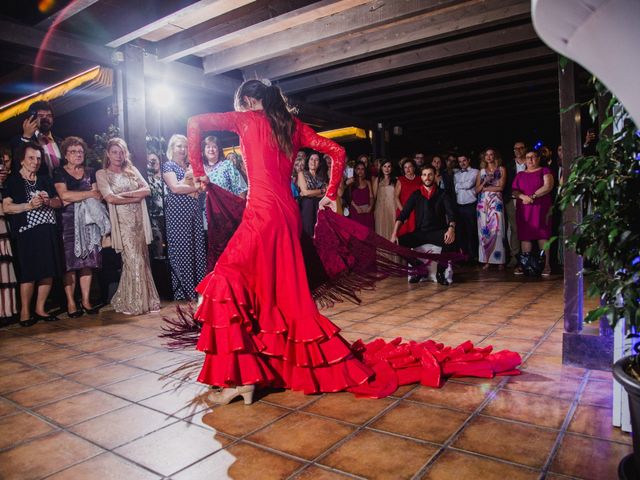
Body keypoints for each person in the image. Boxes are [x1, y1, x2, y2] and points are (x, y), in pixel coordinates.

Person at [96, 138, 161, 314]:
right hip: (123, 223)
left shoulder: (132, 170)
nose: (118, 155)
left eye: (121, 152)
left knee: (142, 258)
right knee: (133, 259)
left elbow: (147, 190)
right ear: (108, 154)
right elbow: (110, 198)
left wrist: (126, 195)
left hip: (139, 221)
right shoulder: (102, 174)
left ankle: (139, 299)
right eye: (115, 152)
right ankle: (135, 303)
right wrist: (135, 197)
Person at [3, 143, 63, 326]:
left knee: (48, 270)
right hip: (26, 232)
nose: (35, 162)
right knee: (29, 272)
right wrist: (28, 206)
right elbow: (6, 207)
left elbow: (59, 202)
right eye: (31, 158)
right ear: (21, 159)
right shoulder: (13, 181)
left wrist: (48, 201)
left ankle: (40, 308)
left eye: (38, 158)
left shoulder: (44, 179)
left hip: (48, 229)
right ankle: (25, 313)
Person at [53, 137, 106, 317]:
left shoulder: (91, 171)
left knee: (87, 261)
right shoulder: (59, 172)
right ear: (66, 155)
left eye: (80, 152)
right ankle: (70, 302)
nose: (78, 155)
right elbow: (64, 196)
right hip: (67, 221)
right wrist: (88, 194)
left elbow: (97, 195)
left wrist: (82, 195)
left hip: (88, 221)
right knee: (70, 263)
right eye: (73, 152)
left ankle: (85, 300)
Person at [390, 165, 457, 285]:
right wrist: (395, 233)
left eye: (430, 174)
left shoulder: (443, 194)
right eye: (425, 175)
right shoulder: (416, 194)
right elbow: (402, 215)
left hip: (437, 232)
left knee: (451, 241)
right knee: (396, 244)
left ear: (434, 176)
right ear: (421, 177)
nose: (427, 177)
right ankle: (420, 268)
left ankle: (440, 273)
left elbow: (451, 215)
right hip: (420, 233)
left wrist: (451, 229)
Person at [161, 134, 206, 300]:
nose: (183, 150)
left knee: (197, 249)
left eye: (185, 147)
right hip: (178, 214)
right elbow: (175, 188)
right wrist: (194, 188)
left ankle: (199, 289)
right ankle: (185, 291)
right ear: (172, 148)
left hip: (194, 211)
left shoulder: (190, 165)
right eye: (179, 146)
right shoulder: (168, 165)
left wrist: (194, 187)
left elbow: (202, 187)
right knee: (183, 250)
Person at [511, 150, 555, 276]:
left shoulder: (544, 171)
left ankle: (546, 265)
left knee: (543, 235)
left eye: (533, 157)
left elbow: (548, 186)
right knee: (525, 236)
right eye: (528, 157)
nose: (530, 160)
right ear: (524, 160)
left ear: (538, 158)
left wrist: (533, 196)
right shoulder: (520, 175)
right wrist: (523, 197)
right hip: (524, 208)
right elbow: (514, 191)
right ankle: (525, 265)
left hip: (541, 207)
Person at [11, 101, 62, 177]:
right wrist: (26, 137)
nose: (45, 118)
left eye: (49, 115)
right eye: (41, 116)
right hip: (39, 187)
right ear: (32, 118)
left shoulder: (61, 141)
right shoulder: (22, 141)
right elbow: (19, 166)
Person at [476, 148, 506, 270]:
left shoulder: (502, 169)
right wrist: (484, 183)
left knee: (498, 229)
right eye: (486, 155)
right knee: (484, 231)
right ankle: (486, 260)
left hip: (496, 202)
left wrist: (486, 189)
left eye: (491, 154)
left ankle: (500, 261)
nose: (489, 157)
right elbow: (477, 190)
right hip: (483, 204)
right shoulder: (481, 171)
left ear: (495, 156)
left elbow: (501, 187)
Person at [0, 149, 17, 325]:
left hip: (4, 232)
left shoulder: (8, 183)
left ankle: (7, 311)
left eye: (6, 163)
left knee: (5, 271)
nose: (4, 167)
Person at [504, 141, 527, 267]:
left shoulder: (530, 163)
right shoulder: (509, 165)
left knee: (529, 228)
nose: (518, 150)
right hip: (512, 200)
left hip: (528, 199)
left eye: (521, 148)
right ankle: (515, 256)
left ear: (525, 149)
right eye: (515, 148)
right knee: (514, 229)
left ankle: (528, 255)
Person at [454, 154, 479, 261]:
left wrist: (460, 185)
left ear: (468, 160)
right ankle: (464, 256)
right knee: (461, 232)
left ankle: (473, 256)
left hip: (471, 205)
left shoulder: (475, 172)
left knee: (471, 231)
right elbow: (455, 188)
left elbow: (469, 184)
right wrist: (460, 185)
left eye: (464, 160)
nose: (462, 163)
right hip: (459, 206)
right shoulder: (456, 174)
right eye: (460, 161)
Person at [297, 151, 326, 237]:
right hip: (307, 209)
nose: (313, 162)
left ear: (319, 163)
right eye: (311, 159)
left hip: (318, 207)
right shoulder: (302, 173)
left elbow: (326, 193)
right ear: (308, 161)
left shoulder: (321, 177)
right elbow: (305, 192)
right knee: (308, 234)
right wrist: (321, 190)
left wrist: (312, 193)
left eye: (316, 160)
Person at [394, 158, 421, 237]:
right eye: (405, 167)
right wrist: (404, 212)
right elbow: (396, 197)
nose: (407, 169)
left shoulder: (420, 179)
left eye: (410, 167)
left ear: (414, 168)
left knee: (416, 235)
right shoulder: (401, 179)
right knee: (403, 234)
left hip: (417, 211)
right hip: (404, 209)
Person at [372, 159, 397, 241]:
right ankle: (382, 254)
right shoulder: (377, 180)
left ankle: (394, 253)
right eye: (384, 166)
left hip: (393, 209)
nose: (387, 169)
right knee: (381, 231)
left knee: (393, 230)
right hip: (381, 209)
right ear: (381, 168)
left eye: (389, 166)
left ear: (392, 168)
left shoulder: (396, 180)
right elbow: (374, 197)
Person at [348, 161, 374, 229]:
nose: (360, 171)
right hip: (356, 212)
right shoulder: (351, 182)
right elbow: (349, 197)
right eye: (358, 169)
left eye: (362, 169)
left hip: (367, 211)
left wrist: (370, 207)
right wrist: (357, 208)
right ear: (355, 170)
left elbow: (371, 196)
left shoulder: (368, 182)